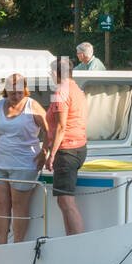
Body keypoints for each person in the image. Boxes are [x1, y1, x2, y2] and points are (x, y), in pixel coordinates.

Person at [0, 74, 49, 244]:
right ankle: (1, 243)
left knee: (19, 206)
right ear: (6, 91)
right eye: (12, 93)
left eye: (19, 93)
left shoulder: (33, 106)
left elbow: (49, 130)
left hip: (25, 164)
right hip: (1, 163)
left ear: (24, 91)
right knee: (1, 205)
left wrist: (44, 152)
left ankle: (17, 244)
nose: (16, 97)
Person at [38, 56, 88, 235]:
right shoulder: (77, 90)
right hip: (79, 147)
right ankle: (71, 238)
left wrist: (51, 154)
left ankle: (76, 241)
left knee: (66, 201)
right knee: (63, 201)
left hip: (66, 150)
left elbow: (61, 126)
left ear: (55, 73)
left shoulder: (61, 92)